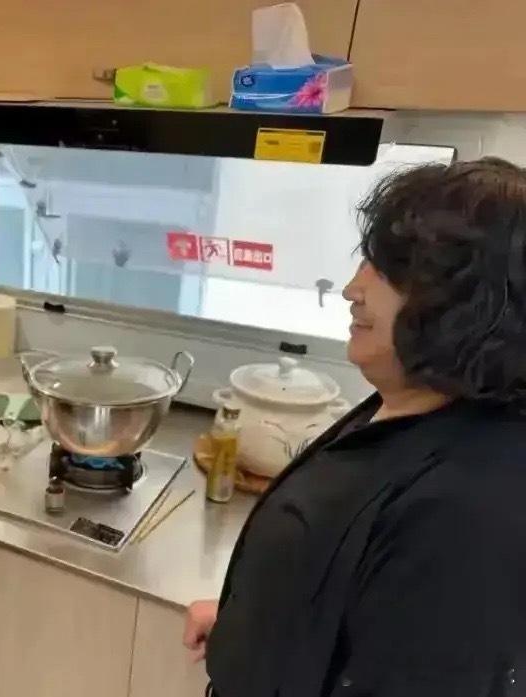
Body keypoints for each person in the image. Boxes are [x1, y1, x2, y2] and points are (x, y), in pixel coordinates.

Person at [183, 157, 526, 697]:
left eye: (387, 271)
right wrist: (249, 626)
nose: (351, 288)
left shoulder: (467, 510)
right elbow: (349, 587)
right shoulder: (407, 400)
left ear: (468, 305)